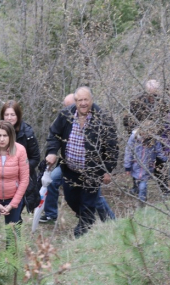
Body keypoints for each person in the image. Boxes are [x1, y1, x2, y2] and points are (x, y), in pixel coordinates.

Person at [45, 86, 119, 237]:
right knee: (71, 199)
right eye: (80, 100)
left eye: (86, 100)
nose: (83, 103)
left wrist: (107, 170)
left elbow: (112, 146)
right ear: (75, 101)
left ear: (91, 100)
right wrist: (52, 152)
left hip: (92, 172)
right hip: (70, 170)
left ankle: (82, 232)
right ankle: (88, 218)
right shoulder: (66, 114)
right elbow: (54, 134)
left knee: (88, 203)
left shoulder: (103, 118)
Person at [0, 100, 41, 214]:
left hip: (22, 178)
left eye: (12, 115)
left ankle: (14, 229)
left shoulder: (27, 133)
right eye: (6, 115)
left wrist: (20, 169)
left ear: (18, 115)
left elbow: (35, 158)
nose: (9, 118)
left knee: (15, 215)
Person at [124, 120, 169, 202]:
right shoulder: (134, 138)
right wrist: (127, 166)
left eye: (150, 132)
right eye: (146, 131)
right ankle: (138, 195)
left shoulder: (154, 140)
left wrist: (167, 158)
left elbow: (159, 153)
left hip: (147, 167)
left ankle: (142, 203)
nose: (147, 135)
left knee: (143, 187)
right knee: (138, 184)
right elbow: (128, 152)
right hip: (135, 166)